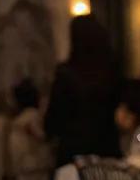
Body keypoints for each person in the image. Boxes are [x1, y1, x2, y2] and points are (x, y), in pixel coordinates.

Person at [43, 14, 121, 168]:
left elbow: (52, 123)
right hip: (107, 151)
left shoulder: (66, 74)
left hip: (74, 157)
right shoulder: (110, 71)